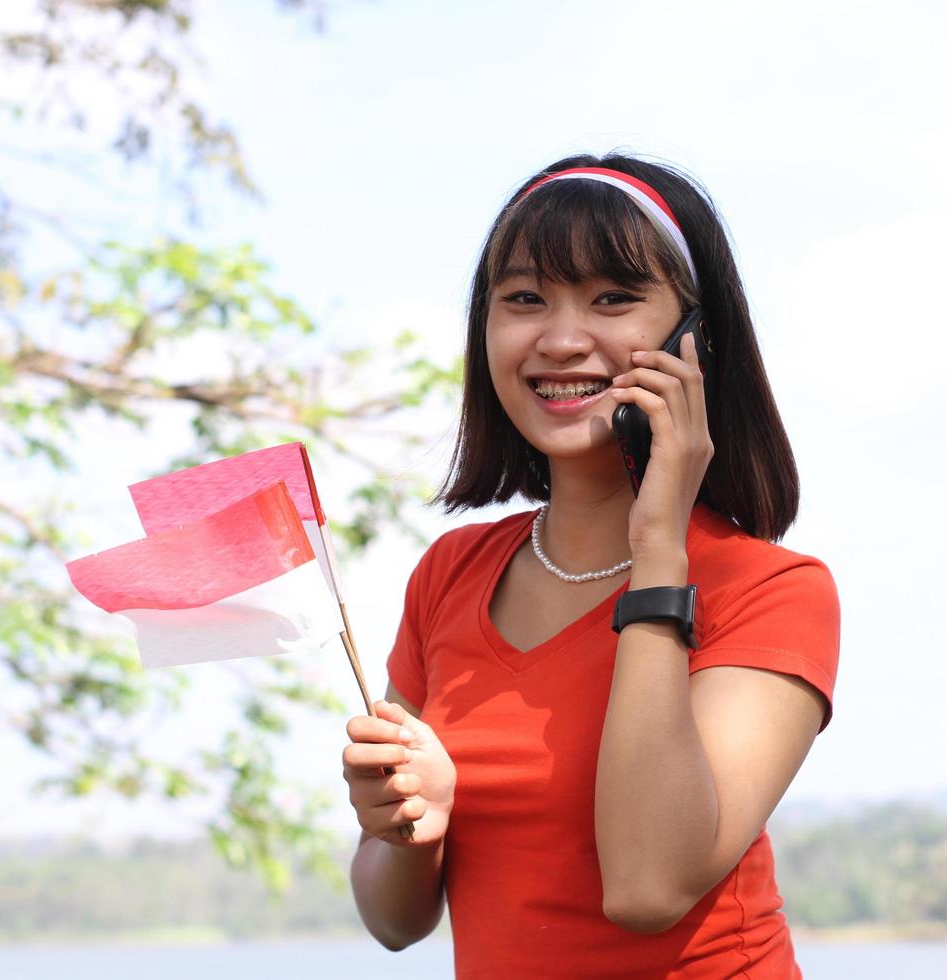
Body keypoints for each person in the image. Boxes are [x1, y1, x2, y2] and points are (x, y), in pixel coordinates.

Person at [341, 152, 841, 978]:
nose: (564, 340)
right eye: (525, 299)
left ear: (695, 338)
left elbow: (649, 887)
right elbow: (394, 921)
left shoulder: (772, 590)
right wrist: (407, 829)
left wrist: (659, 549)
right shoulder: (449, 575)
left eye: (614, 298)